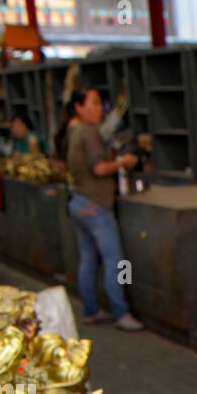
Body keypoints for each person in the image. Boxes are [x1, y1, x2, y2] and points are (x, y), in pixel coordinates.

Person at [55, 87, 143, 330]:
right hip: (96, 206)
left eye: (100, 104)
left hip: (79, 203)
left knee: (88, 261)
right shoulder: (90, 133)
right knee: (118, 261)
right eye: (92, 103)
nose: (99, 109)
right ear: (79, 107)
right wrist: (123, 162)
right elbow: (99, 169)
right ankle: (121, 312)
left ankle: (91, 310)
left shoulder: (74, 131)